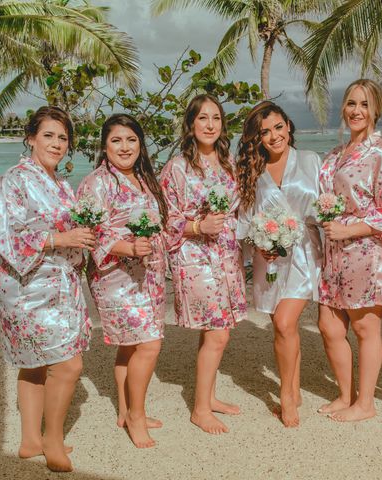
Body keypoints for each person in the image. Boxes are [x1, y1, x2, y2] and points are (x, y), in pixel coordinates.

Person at [0, 106, 93, 472]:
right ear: (30, 137)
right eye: (48, 135)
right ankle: (52, 439)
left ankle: (30, 441)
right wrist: (59, 238)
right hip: (26, 286)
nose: (57, 144)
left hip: (59, 284)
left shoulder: (61, 183)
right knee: (68, 365)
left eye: (63, 138)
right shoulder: (13, 180)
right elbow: (4, 234)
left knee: (34, 365)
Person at [77, 114, 167, 448]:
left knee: (132, 345)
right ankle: (136, 417)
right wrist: (127, 247)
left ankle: (126, 409)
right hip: (115, 275)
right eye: (116, 140)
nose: (125, 147)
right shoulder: (97, 182)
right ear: (104, 146)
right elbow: (91, 234)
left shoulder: (144, 178)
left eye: (131, 140)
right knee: (149, 344)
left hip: (149, 274)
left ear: (140, 144)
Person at [317, 79, 382, 422]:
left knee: (366, 329)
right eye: (351, 103)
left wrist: (347, 228)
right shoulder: (336, 154)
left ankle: (365, 404)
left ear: (375, 111)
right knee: (329, 325)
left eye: (364, 105)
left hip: (367, 252)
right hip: (335, 252)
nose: (356, 111)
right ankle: (345, 394)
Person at [160, 94, 247, 435]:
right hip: (195, 258)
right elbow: (164, 218)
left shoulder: (230, 166)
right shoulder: (177, 168)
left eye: (216, 118)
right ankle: (199, 409)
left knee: (215, 332)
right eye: (202, 118)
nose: (210, 125)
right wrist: (197, 227)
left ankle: (208, 396)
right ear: (191, 124)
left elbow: (239, 212)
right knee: (218, 333)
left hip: (226, 256)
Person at [235, 101, 322, 427]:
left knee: (285, 323)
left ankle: (286, 397)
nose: (273, 136)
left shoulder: (311, 161)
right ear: (256, 138)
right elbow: (244, 220)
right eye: (264, 132)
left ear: (288, 125)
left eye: (278, 127)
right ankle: (295, 389)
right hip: (267, 261)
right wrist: (258, 243)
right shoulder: (252, 173)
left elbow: (326, 207)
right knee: (282, 328)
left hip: (302, 256)